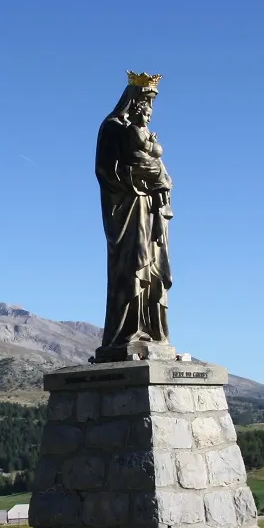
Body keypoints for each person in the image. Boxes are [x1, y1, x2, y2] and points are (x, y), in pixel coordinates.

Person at [94, 71, 173, 359]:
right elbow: (105, 171)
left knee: (152, 267)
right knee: (131, 266)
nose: (148, 109)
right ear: (132, 100)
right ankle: (126, 333)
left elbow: (157, 164)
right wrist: (140, 176)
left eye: (151, 103)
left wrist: (159, 180)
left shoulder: (141, 133)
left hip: (150, 209)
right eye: (145, 100)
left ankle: (151, 330)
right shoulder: (113, 128)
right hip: (128, 209)